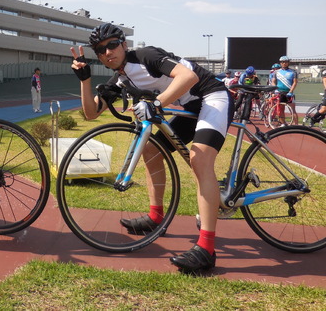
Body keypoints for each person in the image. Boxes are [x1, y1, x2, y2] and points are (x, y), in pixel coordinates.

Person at [70, 23, 233, 274]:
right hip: (190, 108)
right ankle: (156, 217)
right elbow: (91, 114)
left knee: (199, 160)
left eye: (112, 45)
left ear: (124, 45)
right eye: (100, 50)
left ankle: (206, 249)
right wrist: (85, 80)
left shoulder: (147, 56)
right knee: (151, 150)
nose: (107, 52)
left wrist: (156, 103)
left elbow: (189, 77)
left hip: (212, 96)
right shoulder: (121, 78)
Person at [271, 55, 298, 124]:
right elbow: (273, 81)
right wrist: (275, 89)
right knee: (281, 109)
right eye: (282, 62)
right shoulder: (276, 72)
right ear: (280, 63)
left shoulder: (293, 72)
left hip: (289, 92)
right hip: (280, 92)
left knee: (292, 110)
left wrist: (291, 91)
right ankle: (283, 124)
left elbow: (295, 83)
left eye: (285, 62)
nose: (284, 63)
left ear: (288, 63)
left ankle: (297, 125)